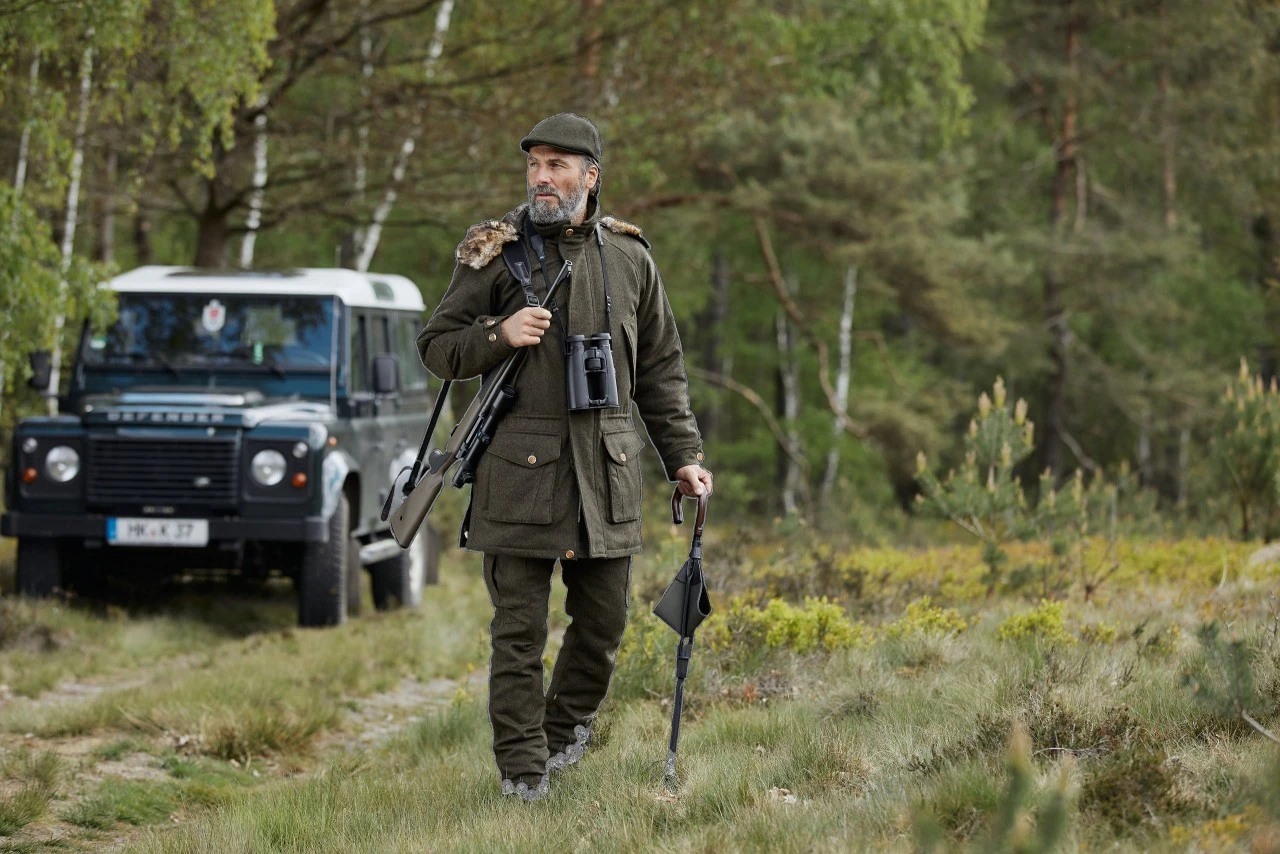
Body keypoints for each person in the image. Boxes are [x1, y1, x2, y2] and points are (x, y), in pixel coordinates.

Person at [416, 112, 712, 801]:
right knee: (518, 634)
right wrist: (499, 333)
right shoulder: (495, 252)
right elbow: (436, 348)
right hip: (518, 474)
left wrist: (684, 457)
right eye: (534, 166)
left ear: (591, 176)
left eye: (557, 165)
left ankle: (560, 735)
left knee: (604, 623)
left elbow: (662, 371)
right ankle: (523, 775)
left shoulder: (631, 258)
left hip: (604, 476)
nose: (542, 178)